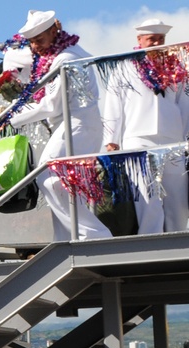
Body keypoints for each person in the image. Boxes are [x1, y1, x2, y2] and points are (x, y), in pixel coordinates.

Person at [8, 10, 111, 241]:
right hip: (79, 125)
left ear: (54, 31)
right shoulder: (65, 54)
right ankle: (66, 239)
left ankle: (95, 236)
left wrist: (10, 115)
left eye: (40, 40)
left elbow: (50, 105)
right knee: (68, 184)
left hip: (77, 124)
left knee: (49, 176)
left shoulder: (65, 59)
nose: (35, 47)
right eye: (32, 42)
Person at [102, 18, 189, 235]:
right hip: (138, 139)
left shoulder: (176, 70)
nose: (157, 43)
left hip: (173, 140)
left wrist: (187, 139)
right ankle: (150, 239)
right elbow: (114, 104)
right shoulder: (125, 67)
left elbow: (185, 107)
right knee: (147, 198)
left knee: (178, 198)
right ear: (140, 40)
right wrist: (111, 139)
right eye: (152, 39)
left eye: (161, 39)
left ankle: (177, 239)